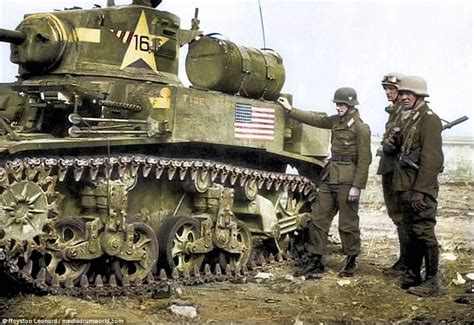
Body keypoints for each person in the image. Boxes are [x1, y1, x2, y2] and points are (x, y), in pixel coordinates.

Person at [277, 87, 372, 278]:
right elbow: (316, 119)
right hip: (330, 177)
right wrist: (290, 109)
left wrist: (357, 186)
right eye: (337, 104)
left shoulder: (361, 128)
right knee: (318, 219)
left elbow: (365, 159)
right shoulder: (336, 121)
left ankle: (351, 261)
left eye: (342, 104)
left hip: (348, 179)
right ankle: (315, 262)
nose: (338, 107)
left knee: (347, 223)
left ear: (352, 105)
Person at [388, 76, 444, 296]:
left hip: (420, 188)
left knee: (424, 231)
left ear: (420, 96)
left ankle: (432, 283)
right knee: (411, 231)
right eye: (401, 94)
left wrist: (421, 191)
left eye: (408, 94)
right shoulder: (408, 118)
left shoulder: (429, 120)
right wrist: (390, 144)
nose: (403, 97)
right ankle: (413, 275)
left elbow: (432, 161)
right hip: (405, 185)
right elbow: (400, 148)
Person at [377, 72, 410, 273]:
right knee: (397, 216)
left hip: (398, 170)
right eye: (386, 89)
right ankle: (405, 261)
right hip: (390, 169)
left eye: (392, 89)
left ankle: (407, 263)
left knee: (401, 217)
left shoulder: (403, 112)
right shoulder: (394, 111)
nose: (388, 92)